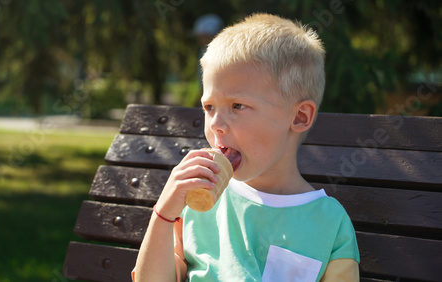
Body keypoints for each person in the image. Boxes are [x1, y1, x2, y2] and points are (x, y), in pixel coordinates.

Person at [133, 13, 360, 281]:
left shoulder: (330, 224)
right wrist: (164, 214)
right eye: (209, 107)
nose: (215, 124)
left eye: (237, 106)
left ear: (299, 117)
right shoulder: (197, 204)